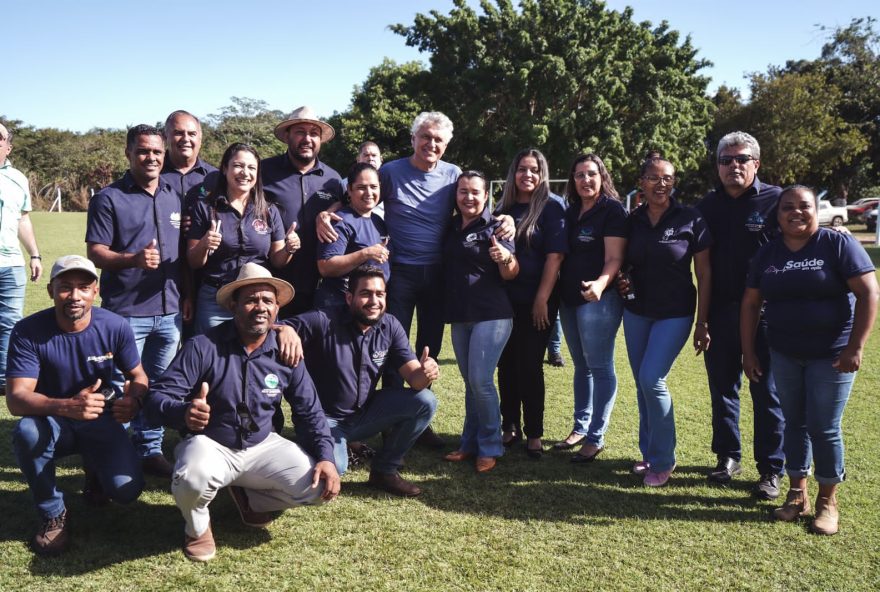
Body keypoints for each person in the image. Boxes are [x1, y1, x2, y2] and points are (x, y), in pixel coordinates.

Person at [145, 263, 339, 562]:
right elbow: (158, 397)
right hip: (211, 443)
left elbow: (309, 411)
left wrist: (326, 457)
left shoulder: (287, 351)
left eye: (267, 301)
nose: (259, 307)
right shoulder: (202, 346)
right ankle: (197, 529)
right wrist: (184, 413)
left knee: (318, 487)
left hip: (262, 443)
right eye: (251, 299)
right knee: (191, 480)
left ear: (277, 309)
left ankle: (249, 498)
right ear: (233, 304)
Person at [742, 185, 878, 535]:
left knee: (824, 426)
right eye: (788, 207)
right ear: (777, 214)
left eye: (804, 206)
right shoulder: (768, 253)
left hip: (832, 356)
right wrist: (749, 350)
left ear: (816, 210)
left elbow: (868, 293)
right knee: (794, 422)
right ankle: (797, 495)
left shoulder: (837, 244)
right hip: (785, 353)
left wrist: (855, 347)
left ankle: (827, 502)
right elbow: (751, 304)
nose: (796, 212)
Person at [6, 255, 147, 555]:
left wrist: (133, 400)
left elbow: (138, 377)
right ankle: (52, 513)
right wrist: (67, 406)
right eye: (65, 287)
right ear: (50, 291)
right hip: (52, 419)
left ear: (95, 291)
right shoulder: (28, 331)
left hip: (99, 417)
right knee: (28, 433)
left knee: (126, 490)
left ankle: (95, 471)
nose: (75, 296)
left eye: (84, 287)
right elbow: (17, 400)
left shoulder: (115, 326)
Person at [86, 124, 189, 478]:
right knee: (118, 387)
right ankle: (109, 457)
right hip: (125, 313)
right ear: (129, 153)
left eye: (157, 152)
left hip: (169, 310)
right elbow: (96, 253)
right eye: (143, 151)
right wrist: (133, 259)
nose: (151, 158)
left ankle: (149, 449)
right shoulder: (108, 198)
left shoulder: (174, 194)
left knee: (159, 387)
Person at [286, 265, 439, 496]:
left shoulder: (390, 326)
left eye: (380, 294)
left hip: (363, 415)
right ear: (349, 297)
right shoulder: (324, 319)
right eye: (366, 293)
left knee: (425, 400)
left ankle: (384, 471)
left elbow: (415, 380)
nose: (374, 301)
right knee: (336, 468)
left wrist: (425, 373)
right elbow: (275, 327)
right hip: (322, 419)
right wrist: (284, 329)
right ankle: (304, 447)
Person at [695, 131, 786, 498]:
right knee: (722, 389)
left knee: (767, 392)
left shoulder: (776, 201)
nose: (734, 165)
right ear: (717, 166)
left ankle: (771, 469)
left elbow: (802, 241)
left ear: (756, 163)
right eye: (726, 160)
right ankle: (727, 456)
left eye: (742, 159)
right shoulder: (707, 206)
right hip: (719, 311)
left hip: (766, 314)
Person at [618, 158, 712, 486]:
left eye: (668, 178)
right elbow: (622, 262)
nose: (661, 184)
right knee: (643, 387)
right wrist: (621, 278)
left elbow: (704, 272)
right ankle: (648, 453)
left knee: (652, 379)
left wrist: (703, 322)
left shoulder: (690, 218)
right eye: (654, 178)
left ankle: (664, 459)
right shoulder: (632, 221)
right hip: (636, 311)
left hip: (675, 313)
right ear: (640, 182)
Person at [442, 171, 519, 473]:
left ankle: (490, 445)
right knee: (470, 383)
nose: (469, 197)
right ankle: (468, 443)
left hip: (493, 314)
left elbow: (512, 272)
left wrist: (504, 258)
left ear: (486, 195)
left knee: (481, 382)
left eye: (475, 192)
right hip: (461, 315)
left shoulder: (498, 225)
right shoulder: (450, 226)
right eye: (463, 191)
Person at [494, 149, 567, 458]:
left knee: (530, 366)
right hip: (503, 301)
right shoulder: (504, 206)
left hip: (537, 301)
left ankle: (534, 433)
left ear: (542, 174)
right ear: (514, 172)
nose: (528, 175)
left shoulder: (552, 207)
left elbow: (555, 257)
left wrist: (542, 300)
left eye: (534, 170)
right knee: (506, 365)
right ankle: (509, 426)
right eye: (522, 169)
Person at [554, 154, 626, 462]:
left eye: (591, 174)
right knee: (581, 367)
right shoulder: (570, 212)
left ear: (602, 177)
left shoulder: (612, 211)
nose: (585, 180)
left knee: (599, 367)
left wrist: (599, 284)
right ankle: (580, 427)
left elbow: (614, 258)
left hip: (599, 298)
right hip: (568, 299)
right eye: (579, 174)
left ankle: (596, 436)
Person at [187, 143, 297, 334]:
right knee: (214, 357)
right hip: (216, 300)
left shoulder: (269, 211)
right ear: (225, 168)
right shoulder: (205, 207)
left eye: (251, 168)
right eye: (238, 165)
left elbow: (278, 261)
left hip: (259, 300)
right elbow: (193, 261)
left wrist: (289, 249)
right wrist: (204, 244)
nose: (245, 172)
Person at [262, 106, 344, 316]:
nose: (307, 138)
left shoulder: (333, 179)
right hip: (273, 281)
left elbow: (347, 207)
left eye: (314, 133)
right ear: (287, 136)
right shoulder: (264, 171)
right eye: (300, 132)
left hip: (320, 285)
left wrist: (329, 211)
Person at [0, 122, 42, 394]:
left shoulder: (18, 178)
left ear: (7, 146)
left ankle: (4, 380)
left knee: (10, 322)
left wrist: (34, 254)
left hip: (11, 264)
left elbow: (23, 219)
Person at [315, 163, 389, 313]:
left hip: (370, 307)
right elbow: (325, 266)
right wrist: (366, 253)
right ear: (349, 189)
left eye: (374, 187)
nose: (369, 192)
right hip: (339, 307)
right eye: (362, 187)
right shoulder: (339, 220)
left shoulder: (378, 221)